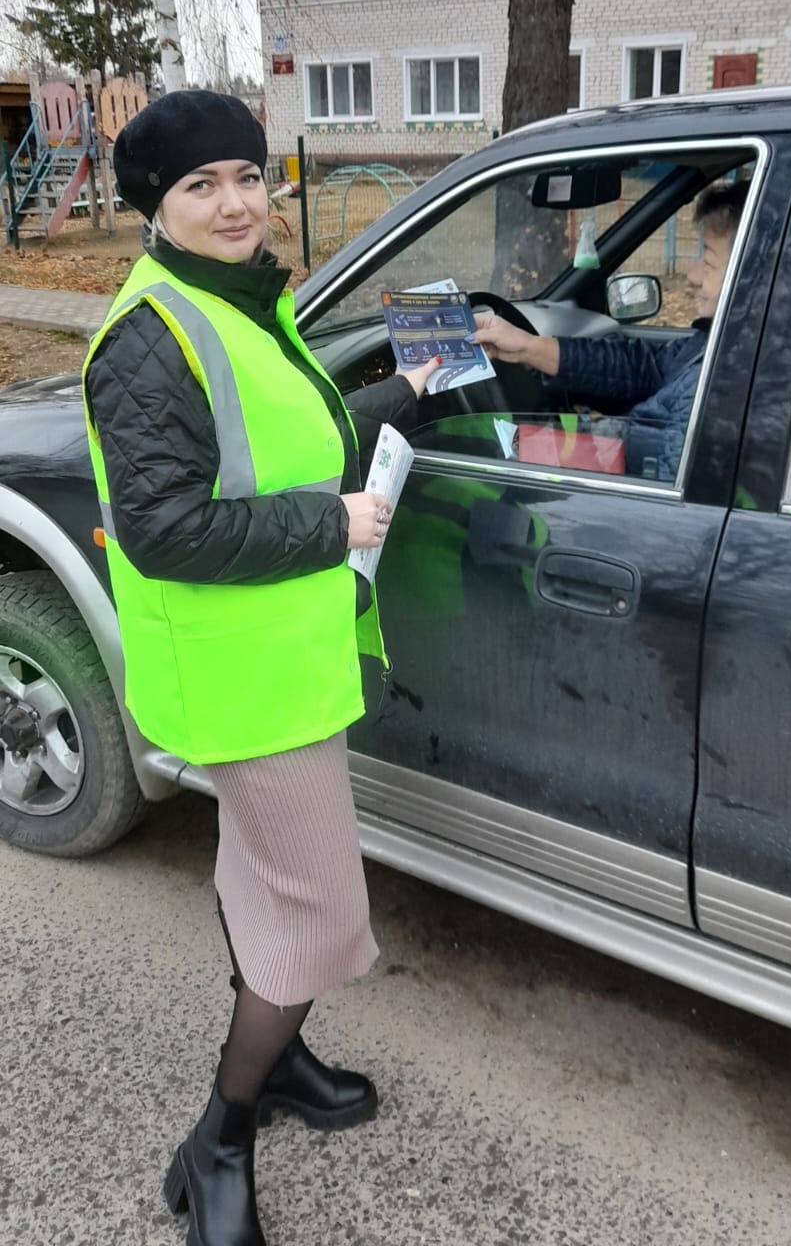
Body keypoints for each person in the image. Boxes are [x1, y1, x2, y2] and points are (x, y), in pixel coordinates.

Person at [82, 90, 437, 1246]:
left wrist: (407, 392)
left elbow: (282, 442)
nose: (237, 202)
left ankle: (281, 1067)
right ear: (153, 204)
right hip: (245, 682)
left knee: (260, 879)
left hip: (285, 661)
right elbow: (166, 527)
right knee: (321, 915)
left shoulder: (237, 298)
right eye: (201, 186)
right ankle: (220, 1133)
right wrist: (330, 528)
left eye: (247, 174)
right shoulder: (149, 336)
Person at [472, 180, 749, 482]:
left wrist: (531, 448)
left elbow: (665, 503)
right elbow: (646, 368)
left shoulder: (722, 385)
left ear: (752, 278)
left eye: (708, 262)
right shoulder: (713, 345)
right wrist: (526, 346)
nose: (692, 276)